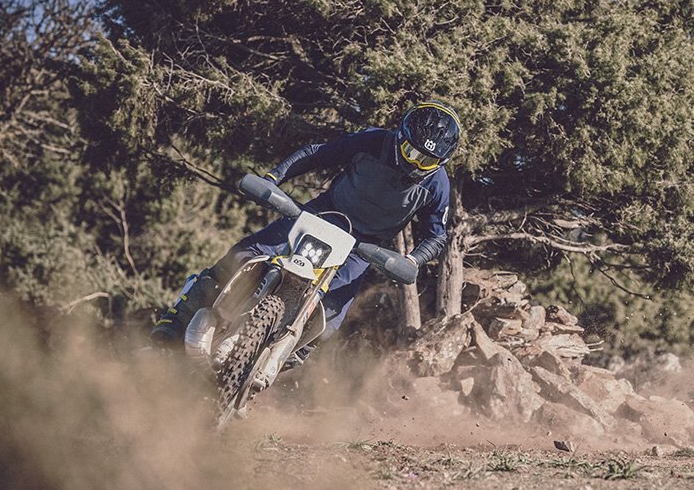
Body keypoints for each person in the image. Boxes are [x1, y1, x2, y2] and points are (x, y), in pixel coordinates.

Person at [150, 100, 461, 363]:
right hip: (323, 214)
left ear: (441, 161)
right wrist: (273, 178)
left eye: (426, 161)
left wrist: (414, 259)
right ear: (399, 137)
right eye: (410, 152)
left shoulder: (438, 185)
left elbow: (436, 235)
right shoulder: (373, 140)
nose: (415, 164)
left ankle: (269, 368)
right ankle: (175, 322)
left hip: (364, 247)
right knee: (243, 255)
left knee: (330, 319)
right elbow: (317, 154)